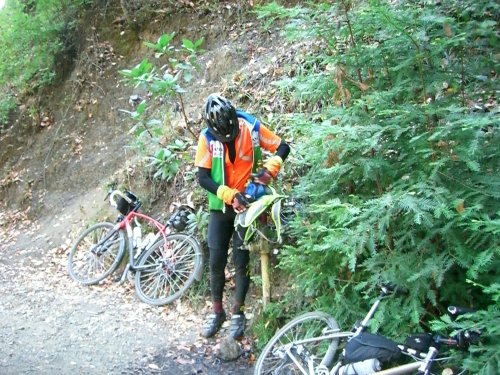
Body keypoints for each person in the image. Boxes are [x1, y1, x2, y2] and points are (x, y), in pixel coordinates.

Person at [195, 94, 290, 338]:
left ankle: (238, 313)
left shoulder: (250, 127)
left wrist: (268, 171)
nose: (229, 136)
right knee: (216, 262)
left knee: (241, 261)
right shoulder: (206, 138)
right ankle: (218, 313)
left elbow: (282, 146)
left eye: (232, 132)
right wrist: (229, 195)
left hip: (248, 208)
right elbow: (203, 178)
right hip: (221, 208)